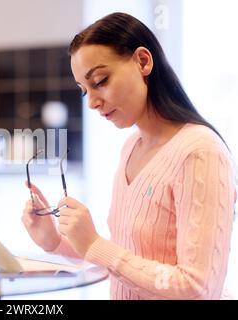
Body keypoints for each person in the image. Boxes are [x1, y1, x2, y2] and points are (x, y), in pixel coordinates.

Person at [22, 12, 237, 300]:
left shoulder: (199, 152)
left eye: (100, 80)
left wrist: (96, 243)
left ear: (143, 61)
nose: (93, 103)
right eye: (84, 91)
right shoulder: (132, 147)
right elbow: (134, 258)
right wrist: (54, 241)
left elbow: (197, 288)